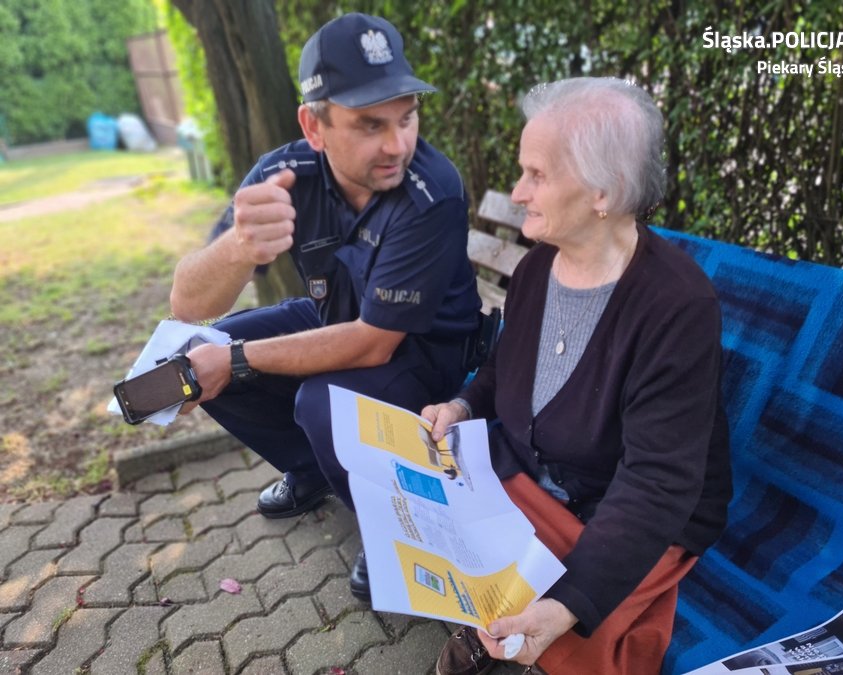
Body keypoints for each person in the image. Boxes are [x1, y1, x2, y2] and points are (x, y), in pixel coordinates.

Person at [422, 77, 732, 674]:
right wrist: (462, 406)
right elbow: (501, 369)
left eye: (537, 176)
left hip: (629, 508)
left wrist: (569, 603)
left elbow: (657, 482)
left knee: (569, 626)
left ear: (603, 192)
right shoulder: (539, 266)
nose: (516, 193)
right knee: (438, 527)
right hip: (536, 480)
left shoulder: (677, 305)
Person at [169, 13, 481, 602]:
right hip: (334, 318)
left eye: (406, 118)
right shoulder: (286, 174)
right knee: (197, 351)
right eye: (369, 124)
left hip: (430, 352)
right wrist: (238, 248)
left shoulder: (431, 191)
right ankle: (313, 469)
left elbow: (373, 343)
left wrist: (237, 361)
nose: (397, 144)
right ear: (314, 127)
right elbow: (187, 303)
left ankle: (395, 531)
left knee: (317, 400)